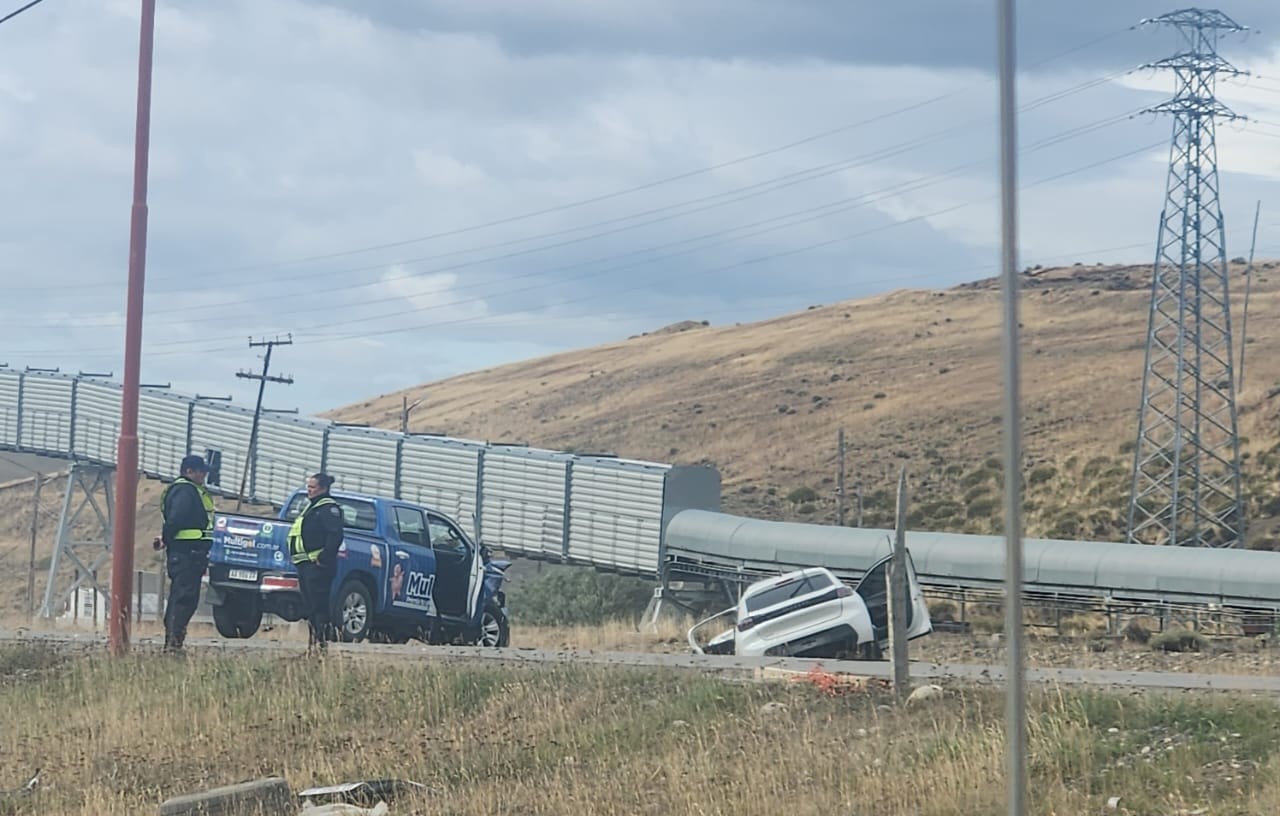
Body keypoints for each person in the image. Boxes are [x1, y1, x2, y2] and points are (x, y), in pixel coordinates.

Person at [157, 454, 216, 653]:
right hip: (187, 554)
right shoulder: (185, 491)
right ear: (189, 471)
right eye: (201, 471)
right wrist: (166, 537)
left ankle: (173, 641)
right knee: (183, 598)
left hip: (188, 553)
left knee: (183, 597)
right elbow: (176, 519)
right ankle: (173, 644)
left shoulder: (189, 490)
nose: (204, 475)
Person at [288, 472, 344, 651]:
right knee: (310, 607)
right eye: (308, 487)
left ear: (323, 489)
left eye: (312, 487)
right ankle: (313, 645)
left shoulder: (328, 509)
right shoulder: (312, 507)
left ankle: (321, 645)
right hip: (305, 565)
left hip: (318, 567)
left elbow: (335, 536)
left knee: (319, 607)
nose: (309, 491)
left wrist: (323, 558)